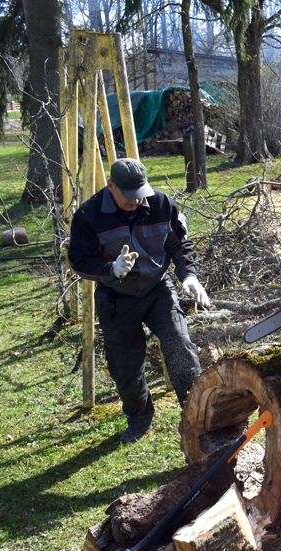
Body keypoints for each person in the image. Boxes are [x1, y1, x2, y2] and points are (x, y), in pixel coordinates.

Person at [68, 158, 210, 444]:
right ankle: (139, 420)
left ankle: (199, 416)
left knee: (180, 345)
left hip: (157, 289)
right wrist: (111, 269)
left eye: (140, 193)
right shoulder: (89, 215)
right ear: (111, 186)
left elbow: (180, 245)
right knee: (125, 366)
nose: (136, 201)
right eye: (129, 195)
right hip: (116, 297)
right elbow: (79, 260)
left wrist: (189, 276)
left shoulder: (161, 205)